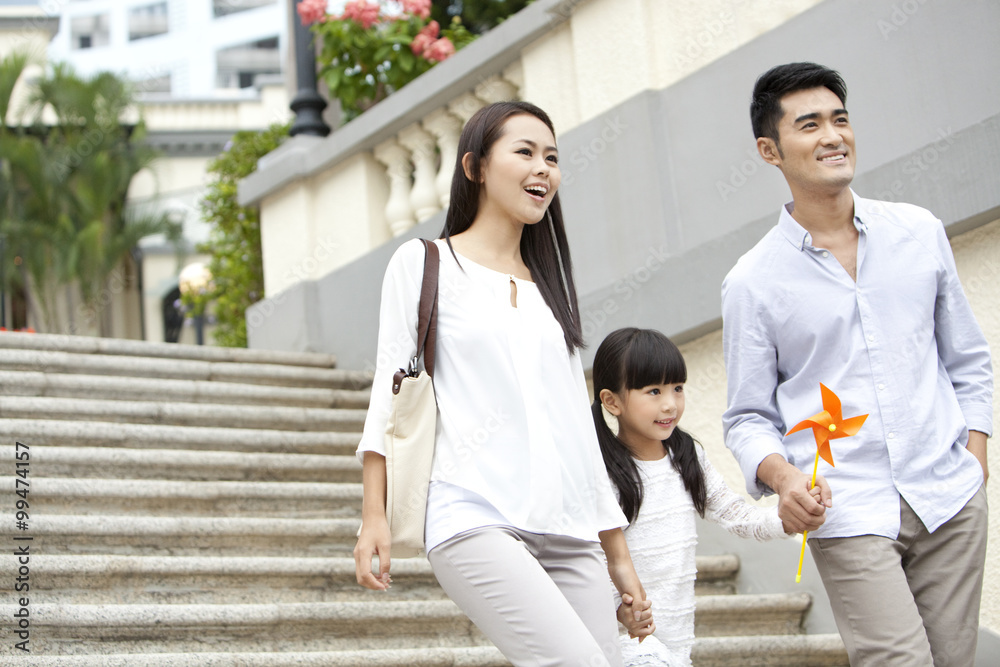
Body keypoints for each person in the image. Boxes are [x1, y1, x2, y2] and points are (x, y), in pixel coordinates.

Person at [353, 100, 653, 666]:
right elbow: (388, 402)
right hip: (472, 514)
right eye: (525, 153)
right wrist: (376, 517)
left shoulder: (549, 292)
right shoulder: (423, 264)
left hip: (568, 530)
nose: (544, 169)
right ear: (476, 167)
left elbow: (578, 432)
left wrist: (618, 557)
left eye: (553, 158)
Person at [721, 62, 992, 666]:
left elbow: (968, 359)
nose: (832, 136)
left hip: (948, 497)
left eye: (840, 119)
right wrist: (787, 480)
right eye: (809, 124)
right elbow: (745, 417)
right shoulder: (752, 283)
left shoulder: (918, 232)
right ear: (770, 150)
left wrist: (974, 457)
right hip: (847, 508)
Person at [592, 327, 794, 666]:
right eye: (653, 391)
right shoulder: (605, 472)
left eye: (677, 388)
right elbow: (598, 555)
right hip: (630, 640)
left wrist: (788, 518)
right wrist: (618, 609)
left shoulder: (687, 457)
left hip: (678, 640)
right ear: (612, 401)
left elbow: (737, 516)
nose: (670, 403)